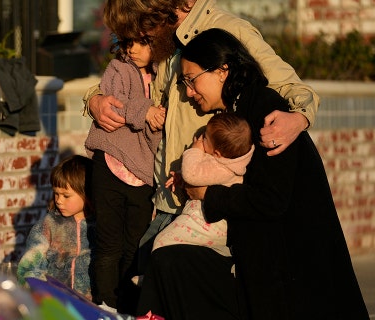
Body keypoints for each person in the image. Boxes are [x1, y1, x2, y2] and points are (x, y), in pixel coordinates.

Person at [138, 28, 369, 320]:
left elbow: (270, 198)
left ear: (222, 71)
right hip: (274, 268)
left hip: (295, 273)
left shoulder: (264, 111)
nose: (188, 92)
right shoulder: (239, 111)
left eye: (191, 80)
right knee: (169, 262)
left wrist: (208, 194)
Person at [84, 0, 321, 276]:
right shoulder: (165, 41)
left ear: (158, 12)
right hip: (165, 200)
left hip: (203, 207)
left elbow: (291, 86)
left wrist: (300, 117)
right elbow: (131, 86)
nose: (138, 40)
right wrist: (94, 100)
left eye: (140, 29)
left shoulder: (229, 30)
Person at [84, 23, 165, 313]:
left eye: (142, 42)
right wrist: (146, 112)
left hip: (144, 173)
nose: (132, 48)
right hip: (111, 161)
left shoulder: (167, 74)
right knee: (108, 244)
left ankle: (129, 309)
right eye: (128, 41)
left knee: (135, 246)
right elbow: (115, 103)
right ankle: (104, 307)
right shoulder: (119, 67)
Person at [152, 113, 254, 257]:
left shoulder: (223, 168)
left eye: (204, 137)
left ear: (217, 153)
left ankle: (151, 278)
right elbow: (198, 175)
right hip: (202, 219)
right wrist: (181, 178)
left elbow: (192, 174)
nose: (200, 139)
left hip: (207, 223)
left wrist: (195, 150)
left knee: (163, 242)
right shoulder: (225, 162)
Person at [16, 155, 95, 301]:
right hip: (56, 305)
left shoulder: (101, 226)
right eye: (56, 194)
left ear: (87, 193)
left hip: (92, 307)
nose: (58, 200)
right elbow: (29, 267)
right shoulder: (47, 225)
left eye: (66, 196)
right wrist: (40, 295)